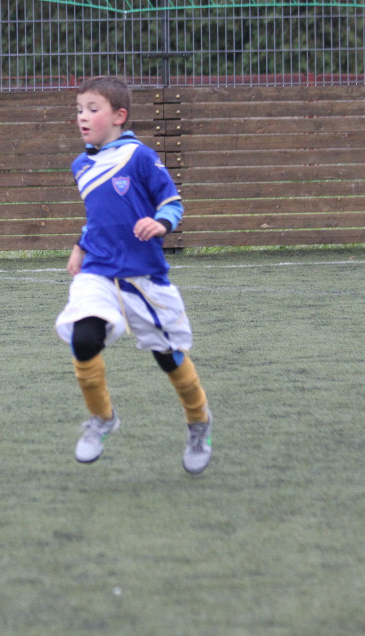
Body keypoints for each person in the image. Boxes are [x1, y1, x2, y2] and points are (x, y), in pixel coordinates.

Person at [55, 76, 213, 474]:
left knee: (169, 357)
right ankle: (102, 418)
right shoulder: (81, 166)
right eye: (79, 109)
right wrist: (81, 245)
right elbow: (99, 217)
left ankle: (199, 421)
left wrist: (161, 223)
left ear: (119, 116)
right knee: (83, 339)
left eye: (93, 109)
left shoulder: (140, 157)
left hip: (144, 277)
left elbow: (172, 202)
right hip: (98, 272)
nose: (82, 117)